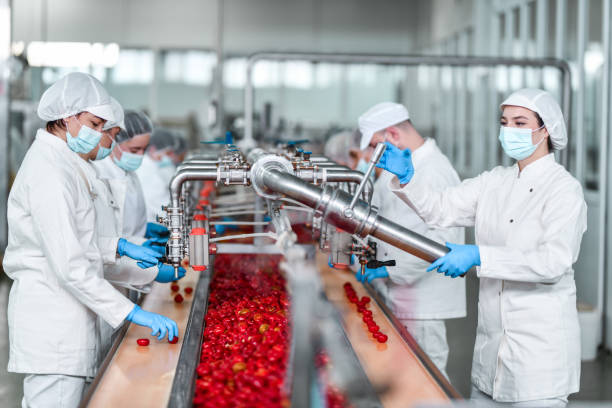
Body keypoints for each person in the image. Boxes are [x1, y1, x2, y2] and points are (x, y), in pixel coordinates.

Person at [379, 89, 586, 407]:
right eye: (505, 122)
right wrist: (408, 178)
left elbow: (553, 262)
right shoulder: (494, 181)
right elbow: (441, 208)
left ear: (545, 130)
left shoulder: (564, 190)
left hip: (540, 362)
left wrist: (480, 256)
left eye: (520, 122)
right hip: (490, 356)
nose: (509, 130)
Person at [2, 72, 178, 408]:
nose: (101, 136)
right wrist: (131, 313)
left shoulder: (65, 163)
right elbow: (70, 265)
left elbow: (77, 242)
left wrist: (118, 246)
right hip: (53, 326)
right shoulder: (49, 173)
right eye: (96, 124)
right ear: (68, 117)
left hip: (67, 319)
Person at [355, 102, 466, 379]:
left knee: (426, 380)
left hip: (423, 302)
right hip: (401, 292)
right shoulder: (404, 165)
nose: (370, 157)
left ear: (392, 135)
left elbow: (442, 240)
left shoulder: (434, 170)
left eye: (374, 147)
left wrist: (390, 268)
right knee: (405, 378)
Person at [93, 108, 166, 241]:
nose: (140, 155)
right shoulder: (99, 173)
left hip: (131, 254)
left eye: (144, 149)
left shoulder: (130, 174)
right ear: (113, 140)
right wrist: (134, 245)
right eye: (135, 149)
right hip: (114, 258)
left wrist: (144, 229)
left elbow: (132, 226)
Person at [136, 127, 177, 222]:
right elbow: (159, 203)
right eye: (167, 152)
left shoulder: (151, 166)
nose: (169, 157)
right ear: (153, 149)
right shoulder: (146, 168)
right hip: (149, 223)